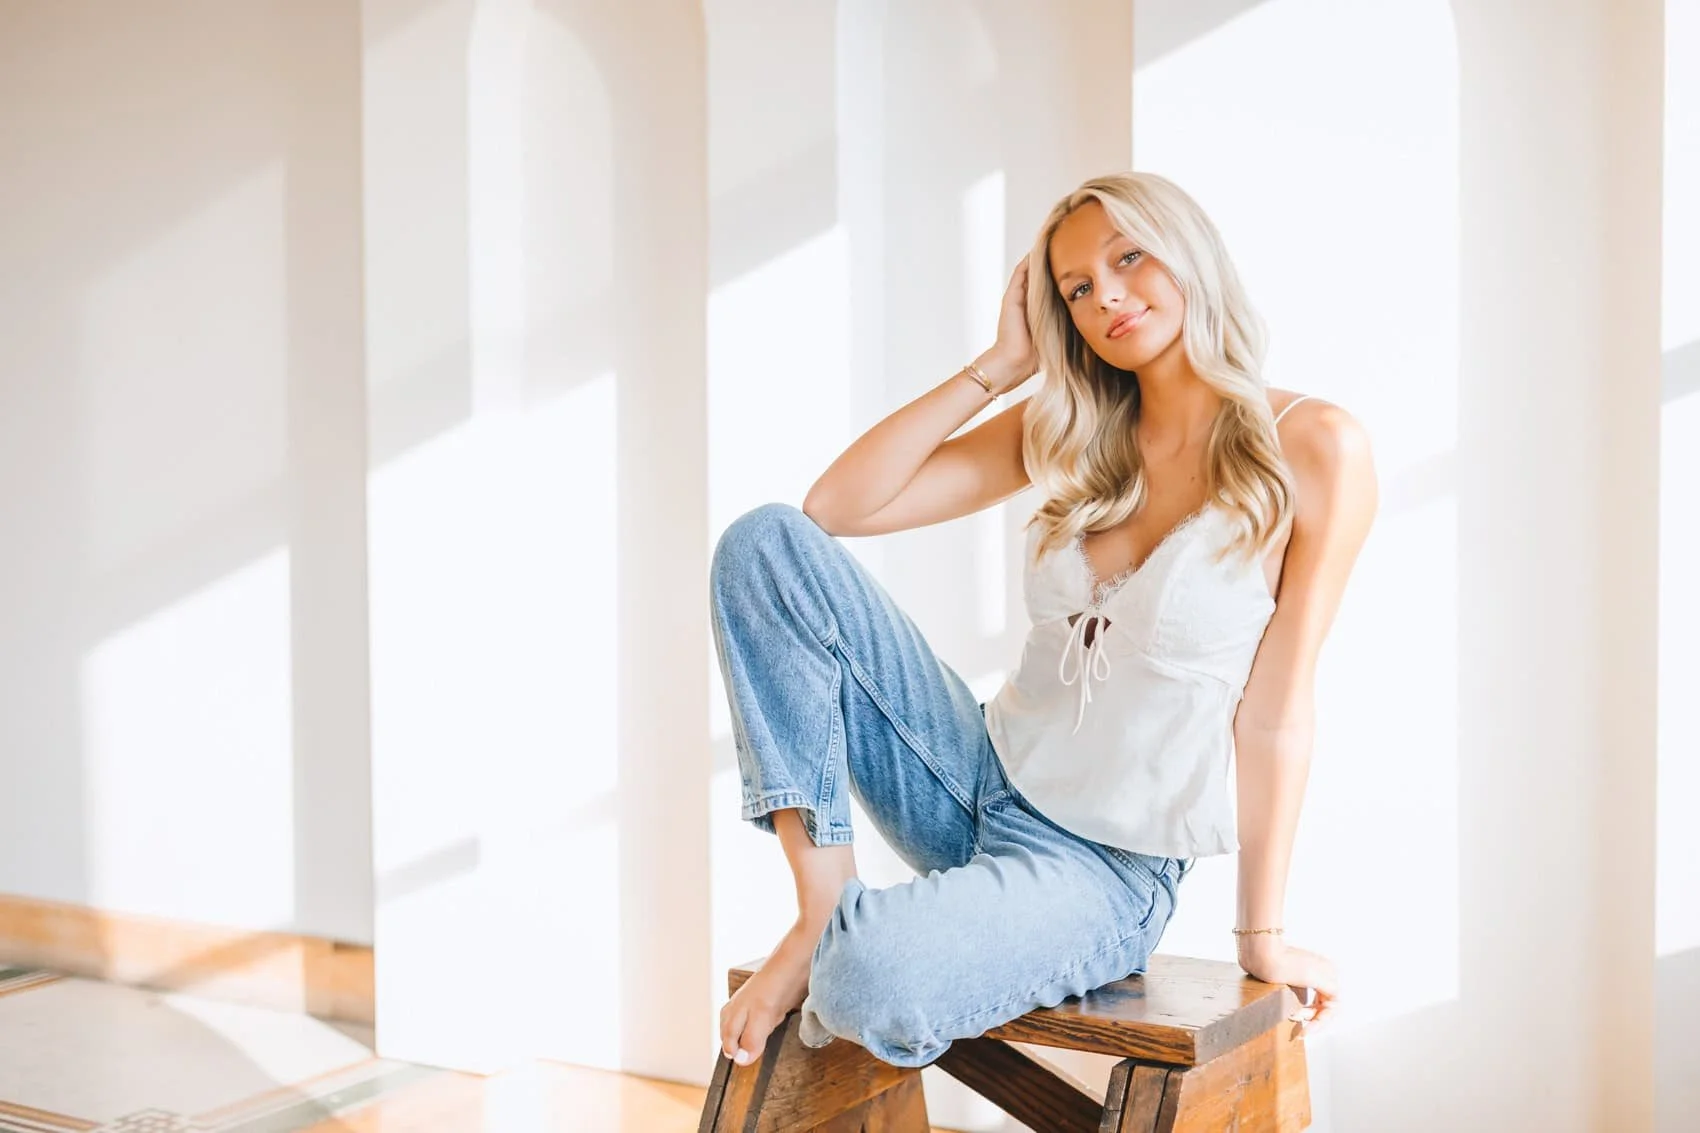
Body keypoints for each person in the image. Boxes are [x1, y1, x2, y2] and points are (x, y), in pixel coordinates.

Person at [707, 170, 1377, 1072]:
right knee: (765, 545)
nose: (1106, 295)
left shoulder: (1314, 447)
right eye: (1075, 288)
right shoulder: (1074, 423)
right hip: (975, 774)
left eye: (1127, 257)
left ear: (1187, 251)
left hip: (1103, 869)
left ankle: (839, 944)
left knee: (869, 978)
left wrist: (1262, 936)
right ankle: (821, 907)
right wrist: (1000, 366)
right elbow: (836, 507)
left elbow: (1276, 713)